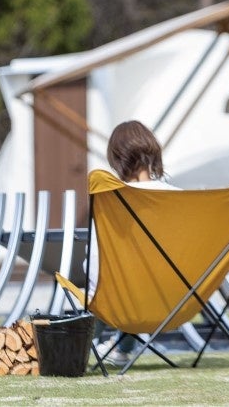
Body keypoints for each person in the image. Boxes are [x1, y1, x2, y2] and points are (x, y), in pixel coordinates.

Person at [89, 119, 175, 365]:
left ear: (117, 158)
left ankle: (78, 350)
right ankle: (121, 350)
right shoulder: (178, 197)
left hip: (121, 298)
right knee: (138, 281)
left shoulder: (113, 200)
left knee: (110, 286)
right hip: (173, 298)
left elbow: (96, 264)